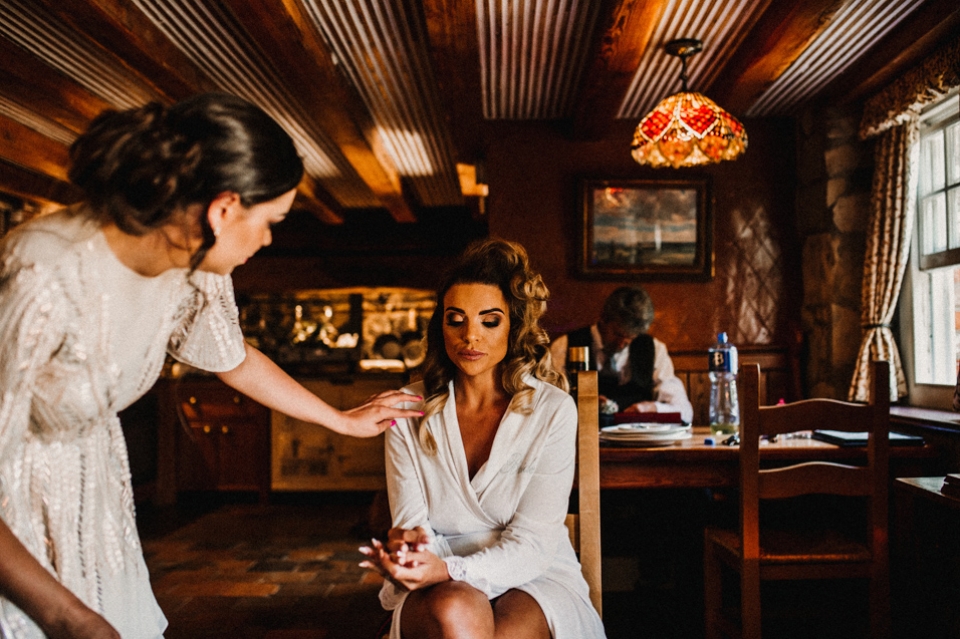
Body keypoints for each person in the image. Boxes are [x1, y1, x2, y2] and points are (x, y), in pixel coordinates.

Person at [0, 93, 419, 639]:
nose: (269, 240)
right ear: (223, 211)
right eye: (272, 221)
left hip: (97, 505)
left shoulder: (194, 262)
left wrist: (339, 420)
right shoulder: (40, 273)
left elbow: (233, 357)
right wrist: (69, 617)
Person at [359, 239, 606, 639]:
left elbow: (534, 543)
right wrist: (411, 554)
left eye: (489, 321)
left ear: (515, 324)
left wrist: (455, 570)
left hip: (535, 572)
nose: (470, 336)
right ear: (441, 325)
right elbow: (412, 526)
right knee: (454, 607)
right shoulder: (407, 409)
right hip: (437, 575)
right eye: (456, 320)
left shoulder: (553, 410)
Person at [549, 285, 693, 424]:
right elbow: (549, 405)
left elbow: (684, 411)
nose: (621, 344)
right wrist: (581, 405)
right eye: (617, 334)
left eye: (631, 338)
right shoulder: (564, 346)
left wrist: (653, 408)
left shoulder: (654, 349)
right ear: (603, 319)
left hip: (638, 442)